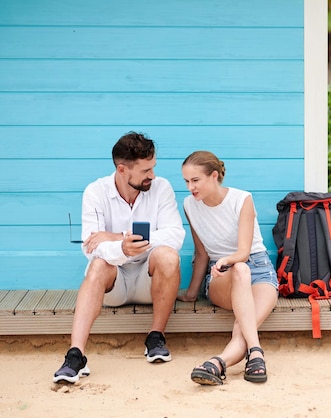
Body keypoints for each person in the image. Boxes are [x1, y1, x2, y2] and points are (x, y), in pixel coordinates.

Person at [53, 132, 186, 384]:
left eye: (153, 167)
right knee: (97, 264)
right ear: (123, 170)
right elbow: (91, 247)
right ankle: (76, 355)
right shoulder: (95, 191)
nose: (153, 176)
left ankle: (155, 336)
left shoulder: (162, 188)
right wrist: (122, 249)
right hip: (114, 285)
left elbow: (175, 235)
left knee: (168, 256)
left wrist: (118, 237)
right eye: (146, 170)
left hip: (150, 281)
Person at [179, 151, 278, 385]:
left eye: (195, 180)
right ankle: (256, 352)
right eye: (186, 181)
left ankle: (217, 363)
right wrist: (192, 292)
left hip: (259, 270)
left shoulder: (242, 199)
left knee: (242, 324)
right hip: (222, 276)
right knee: (240, 271)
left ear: (214, 176)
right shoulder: (189, 205)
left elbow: (243, 252)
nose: (190, 188)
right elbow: (202, 252)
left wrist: (228, 260)